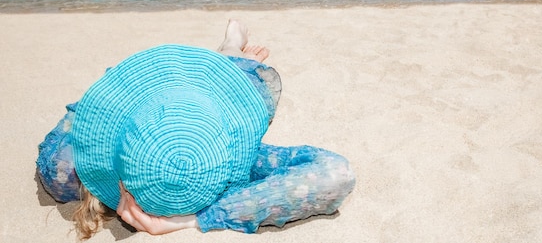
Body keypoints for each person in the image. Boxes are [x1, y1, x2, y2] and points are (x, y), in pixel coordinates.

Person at [36, 20, 356, 239]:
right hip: (221, 118)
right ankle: (229, 53)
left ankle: (228, 54)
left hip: (199, 118)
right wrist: (196, 218)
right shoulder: (240, 166)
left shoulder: (63, 174)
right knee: (251, 80)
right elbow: (334, 175)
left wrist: (187, 220)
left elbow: (94, 102)